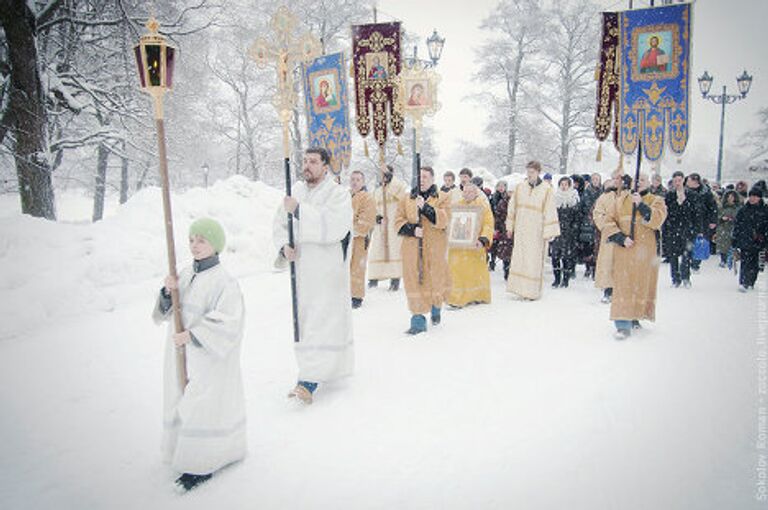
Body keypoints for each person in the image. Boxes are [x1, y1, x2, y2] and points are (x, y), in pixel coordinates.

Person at [153, 218, 246, 492]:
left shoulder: (225, 282)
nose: (194, 245)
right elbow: (166, 310)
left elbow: (229, 321)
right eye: (192, 239)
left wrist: (194, 335)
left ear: (215, 245)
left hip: (209, 361)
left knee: (202, 407)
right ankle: (182, 452)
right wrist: (168, 293)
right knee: (180, 401)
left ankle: (202, 463)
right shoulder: (182, 273)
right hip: (181, 356)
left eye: (201, 240)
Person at [273, 147, 354, 404]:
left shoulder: (338, 194)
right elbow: (280, 224)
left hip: (327, 270)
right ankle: (311, 370)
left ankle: (308, 379)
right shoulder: (295, 191)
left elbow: (337, 225)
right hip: (302, 270)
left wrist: (300, 212)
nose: (307, 165)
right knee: (305, 321)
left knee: (323, 321)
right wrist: (284, 248)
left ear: (325, 166)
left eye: (313, 162)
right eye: (305, 161)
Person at [601, 173, 667, 339]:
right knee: (623, 285)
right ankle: (622, 323)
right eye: (637, 181)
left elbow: (658, 220)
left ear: (648, 183)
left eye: (642, 180)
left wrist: (642, 206)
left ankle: (635, 315)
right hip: (625, 251)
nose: (639, 183)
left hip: (645, 252)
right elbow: (608, 221)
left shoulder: (656, 200)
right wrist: (620, 237)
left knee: (641, 283)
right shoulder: (620, 201)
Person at [395, 166, 450, 334]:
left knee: (434, 280)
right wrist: (411, 229)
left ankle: (435, 305)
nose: (422, 180)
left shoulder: (443, 197)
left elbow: (445, 220)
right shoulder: (406, 198)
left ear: (433, 179)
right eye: (420, 177)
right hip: (412, 248)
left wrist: (425, 208)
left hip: (434, 248)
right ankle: (417, 319)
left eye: (426, 177)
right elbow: (397, 221)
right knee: (413, 280)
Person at [505, 160, 560, 300]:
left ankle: (531, 291)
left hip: (537, 231)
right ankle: (518, 289)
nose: (529, 175)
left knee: (533, 261)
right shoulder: (520, 187)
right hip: (521, 229)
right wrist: (509, 227)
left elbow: (550, 210)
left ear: (538, 172)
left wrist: (549, 232)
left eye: (532, 172)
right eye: (528, 172)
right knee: (520, 259)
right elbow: (512, 208)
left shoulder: (547, 189)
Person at [447, 179, 494, 308]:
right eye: (465, 191)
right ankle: (456, 298)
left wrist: (483, 239)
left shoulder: (483, 206)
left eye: (470, 192)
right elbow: (450, 223)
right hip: (457, 247)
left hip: (475, 246)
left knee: (475, 273)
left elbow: (488, 224)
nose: (467, 194)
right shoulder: (456, 206)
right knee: (457, 273)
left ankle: (477, 296)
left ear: (476, 192)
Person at [368, 165, 408, 291]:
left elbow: (402, 195)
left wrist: (391, 179)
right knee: (376, 250)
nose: (383, 177)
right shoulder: (377, 191)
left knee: (394, 250)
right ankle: (374, 278)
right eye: (382, 174)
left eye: (386, 174)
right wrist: (377, 217)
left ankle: (395, 279)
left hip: (393, 224)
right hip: (381, 226)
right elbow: (372, 208)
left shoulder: (397, 186)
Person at [663, 171, 698, 288]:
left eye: (679, 180)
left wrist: (685, 203)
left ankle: (686, 277)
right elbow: (667, 212)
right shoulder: (669, 195)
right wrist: (677, 204)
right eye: (675, 181)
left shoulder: (691, 195)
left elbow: (695, 213)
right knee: (673, 256)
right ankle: (675, 279)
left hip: (687, 229)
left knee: (686, 255)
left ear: (683, 180)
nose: (677, 183)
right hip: (673, 229)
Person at [349, 170, 377, 308]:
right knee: (346, 266)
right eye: (353, 179)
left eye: (358, 180)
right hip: (345, 238)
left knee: (357, 266)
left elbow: (368, 218)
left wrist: (354, 229)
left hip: (360, 238)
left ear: (363, 182)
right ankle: (346, 293)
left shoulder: (367, 198)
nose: (355, 182)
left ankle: (356, 296)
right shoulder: (346, 196)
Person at [733, 187, 768, 292]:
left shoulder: (765, 210)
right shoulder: (743, 210)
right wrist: (735, 239)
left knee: (756, 263)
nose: (752, 198)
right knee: (745, 261)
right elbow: (737, 225)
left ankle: (751, 281)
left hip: (759, 241)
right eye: (751, 196)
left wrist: (764, 236)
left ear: (759, 198)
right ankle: (743, 282)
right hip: (745, 239)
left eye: (755, 196)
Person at [593, 177, 621, 303]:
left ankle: (622, 291)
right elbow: (598, 214)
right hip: (609, 235)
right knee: (608, 264)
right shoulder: (604, 197)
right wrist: (608, 227)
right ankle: (608, 291)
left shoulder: (628, 196)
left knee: (623, 265)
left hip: (625, 236)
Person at [550, 176, 581, 288]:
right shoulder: (554, 198)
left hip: (569, 232)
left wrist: (573, 229)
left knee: (566, 257)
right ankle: (556, 278)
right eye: (561, 184)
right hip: (556, 231)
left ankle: (566, 279)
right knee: (555, 256)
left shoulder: (574, 199)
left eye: (566, 184)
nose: (563, 187)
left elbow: (577, 217)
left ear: (569, 186)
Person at [685, 172, 718, 272]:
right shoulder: (685, 191)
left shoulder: (706, 193)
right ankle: (688, 260)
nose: (687, 183)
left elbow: (713, 207)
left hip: (703, 220)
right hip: (689, 220)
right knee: (689, 241)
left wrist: (713, 220)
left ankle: (696, 263)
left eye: (690, 181)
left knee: (699, 242)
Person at [578, 173, 602, 279]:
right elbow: (582, 206)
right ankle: (588, 267)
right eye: (594, 179)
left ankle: (595, 269)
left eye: (597, 179)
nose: (595, 181)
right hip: (587, 223)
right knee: (587, 247)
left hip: (598, 222)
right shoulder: (586, 193)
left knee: (596, 247)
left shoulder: (602, 193)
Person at [716, 190, 741, 269]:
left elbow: (741, 219)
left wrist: (734, 220)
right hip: (723, 228)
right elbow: (716, 217)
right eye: (728, 197)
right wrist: (722, 219)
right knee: (723, 245)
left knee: (732, 245)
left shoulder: (738, 208)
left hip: (733, 228)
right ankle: (723, 260)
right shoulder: (721, 207)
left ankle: (731, 259)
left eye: (732, 197)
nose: (730, 199)